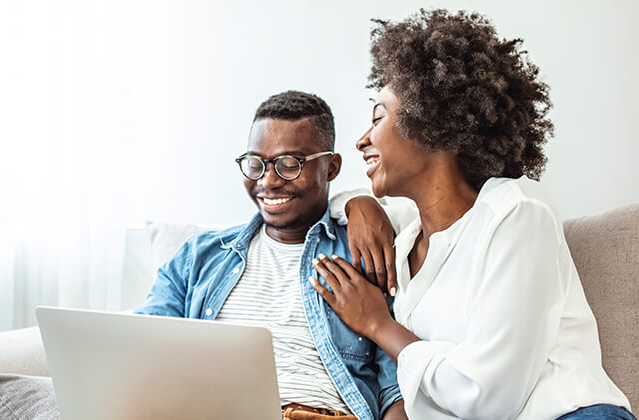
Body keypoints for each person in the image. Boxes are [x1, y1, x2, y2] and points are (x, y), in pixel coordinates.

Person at [310, 9, 635, 420]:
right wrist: (360, 202)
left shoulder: (516, 210)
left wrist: (379, 325)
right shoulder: (405, 241)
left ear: (429, 122)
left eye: (378, 117)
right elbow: (331, 202)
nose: (361, 140)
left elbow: (490, 399)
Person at [134, 90, 407, 420]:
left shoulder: (365, 252)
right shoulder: (198, 257)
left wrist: (362, 201)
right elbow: (139, 349)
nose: (269, 180)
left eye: (289, 164)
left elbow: (397, 388)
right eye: (256, 164)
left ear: (331, 167)